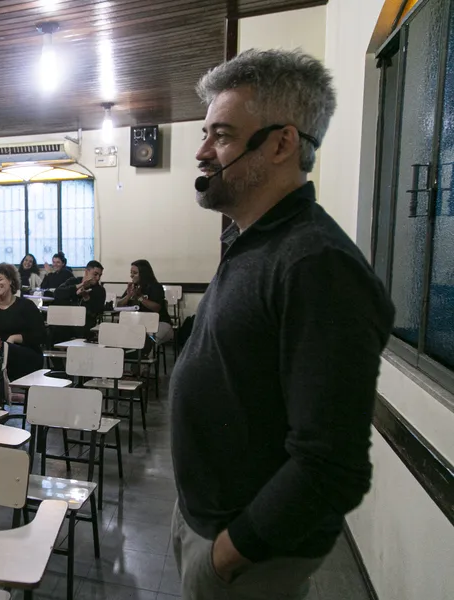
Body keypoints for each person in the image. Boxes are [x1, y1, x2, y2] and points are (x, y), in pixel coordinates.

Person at [170, 49, 394, 600]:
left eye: (220, 135)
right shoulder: (254, 241)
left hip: (246, 556)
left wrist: (227, 555)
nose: (202, 152)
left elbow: (331, 464)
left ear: (280, 143)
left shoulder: (316, 264)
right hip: (206, 517)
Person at [0, 263, 45, 380]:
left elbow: (41, 335)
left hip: (26, 354)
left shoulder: (26, 305)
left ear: (10, 281)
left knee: (5, 350)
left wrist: (14, 338)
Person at [116, 259, 173, 344]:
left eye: (135, 273)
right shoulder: (133, 287)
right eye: (131, 272)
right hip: (139, 323)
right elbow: (118, 306)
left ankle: (147, 356)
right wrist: (128, 296)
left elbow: (156, 308)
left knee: (145, 340)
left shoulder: (155, 287)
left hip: (159, 322)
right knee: (120, 336)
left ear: (143, 274)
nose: (131, 276)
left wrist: (139, 297)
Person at [53, 260, 105, 336]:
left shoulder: (100, 290)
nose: (97, 278)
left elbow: (97, 311)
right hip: (66, 321)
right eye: (95, 274)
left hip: (85, 325)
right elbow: (57, 293)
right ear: (86, 272)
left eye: (100, 275)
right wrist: (78, 286)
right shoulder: (73, 281)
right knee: (55, 329)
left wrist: (86, 297)